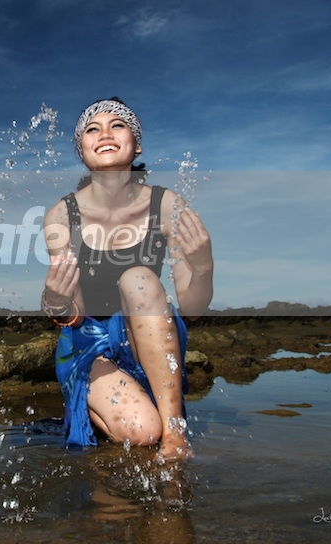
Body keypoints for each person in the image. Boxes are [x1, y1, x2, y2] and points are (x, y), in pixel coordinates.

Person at [41, 97, 213, 461]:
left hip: (148, 334)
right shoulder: (61, 215)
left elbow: (193, 309)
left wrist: (203, 267)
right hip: (88, 342)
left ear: (136, 145)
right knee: (143, 432)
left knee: (138, 278)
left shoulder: (168, 205)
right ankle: (91, 405)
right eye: (92, 129)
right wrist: (57, 302)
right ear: (82, 150)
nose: (105, 133)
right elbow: (75, 316)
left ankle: (176, 433)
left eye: (117, 125)